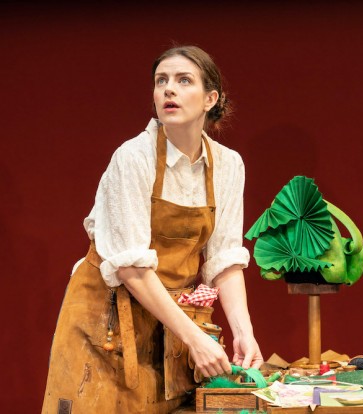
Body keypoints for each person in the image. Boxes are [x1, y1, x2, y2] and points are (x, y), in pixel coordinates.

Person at [42, 45, 263, 413]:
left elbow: (224, 260)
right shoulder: (133, 157)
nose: (168, 90)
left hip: (166, 327)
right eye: (161, 81)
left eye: (183, 80)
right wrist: (193, 338)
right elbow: (131, 268)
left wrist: (244, 332)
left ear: (211, 98)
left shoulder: (228, 165)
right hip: (105, 326)